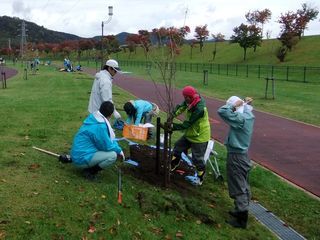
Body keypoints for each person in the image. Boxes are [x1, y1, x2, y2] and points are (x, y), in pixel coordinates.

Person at [217, 96, 255, 229]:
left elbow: (222, 111)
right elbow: (246, 109)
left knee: (238, 186)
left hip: (236, 156)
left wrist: (233, 106)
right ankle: (240, 210)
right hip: (243, 155)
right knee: (243, 183)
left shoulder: (240, 120)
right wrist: (244, 103)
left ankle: (241, 219)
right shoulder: (248, 115)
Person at [71, 101, 125, 180]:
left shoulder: (94, 117)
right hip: (81, 159)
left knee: (108, 149)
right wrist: (119, 151)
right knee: (112, 155)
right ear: (110, 115)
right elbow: (107, 146)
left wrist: (117, 147)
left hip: (76, 154)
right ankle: (90, 171)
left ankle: (88, 165)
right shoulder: (101, 127)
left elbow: (108, 139)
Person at [169, 86, 211, 185]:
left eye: (185, 97)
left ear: (189, 97)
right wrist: (172, 115)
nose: (184, 99)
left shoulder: (200, 109)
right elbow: (181, 107)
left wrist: (172, 126)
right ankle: (173, 165)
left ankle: (200, 177)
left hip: (200, 136)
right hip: (190, 133)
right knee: (178, 147)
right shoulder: (190, 100)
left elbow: (187, 124)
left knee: (197, 159)